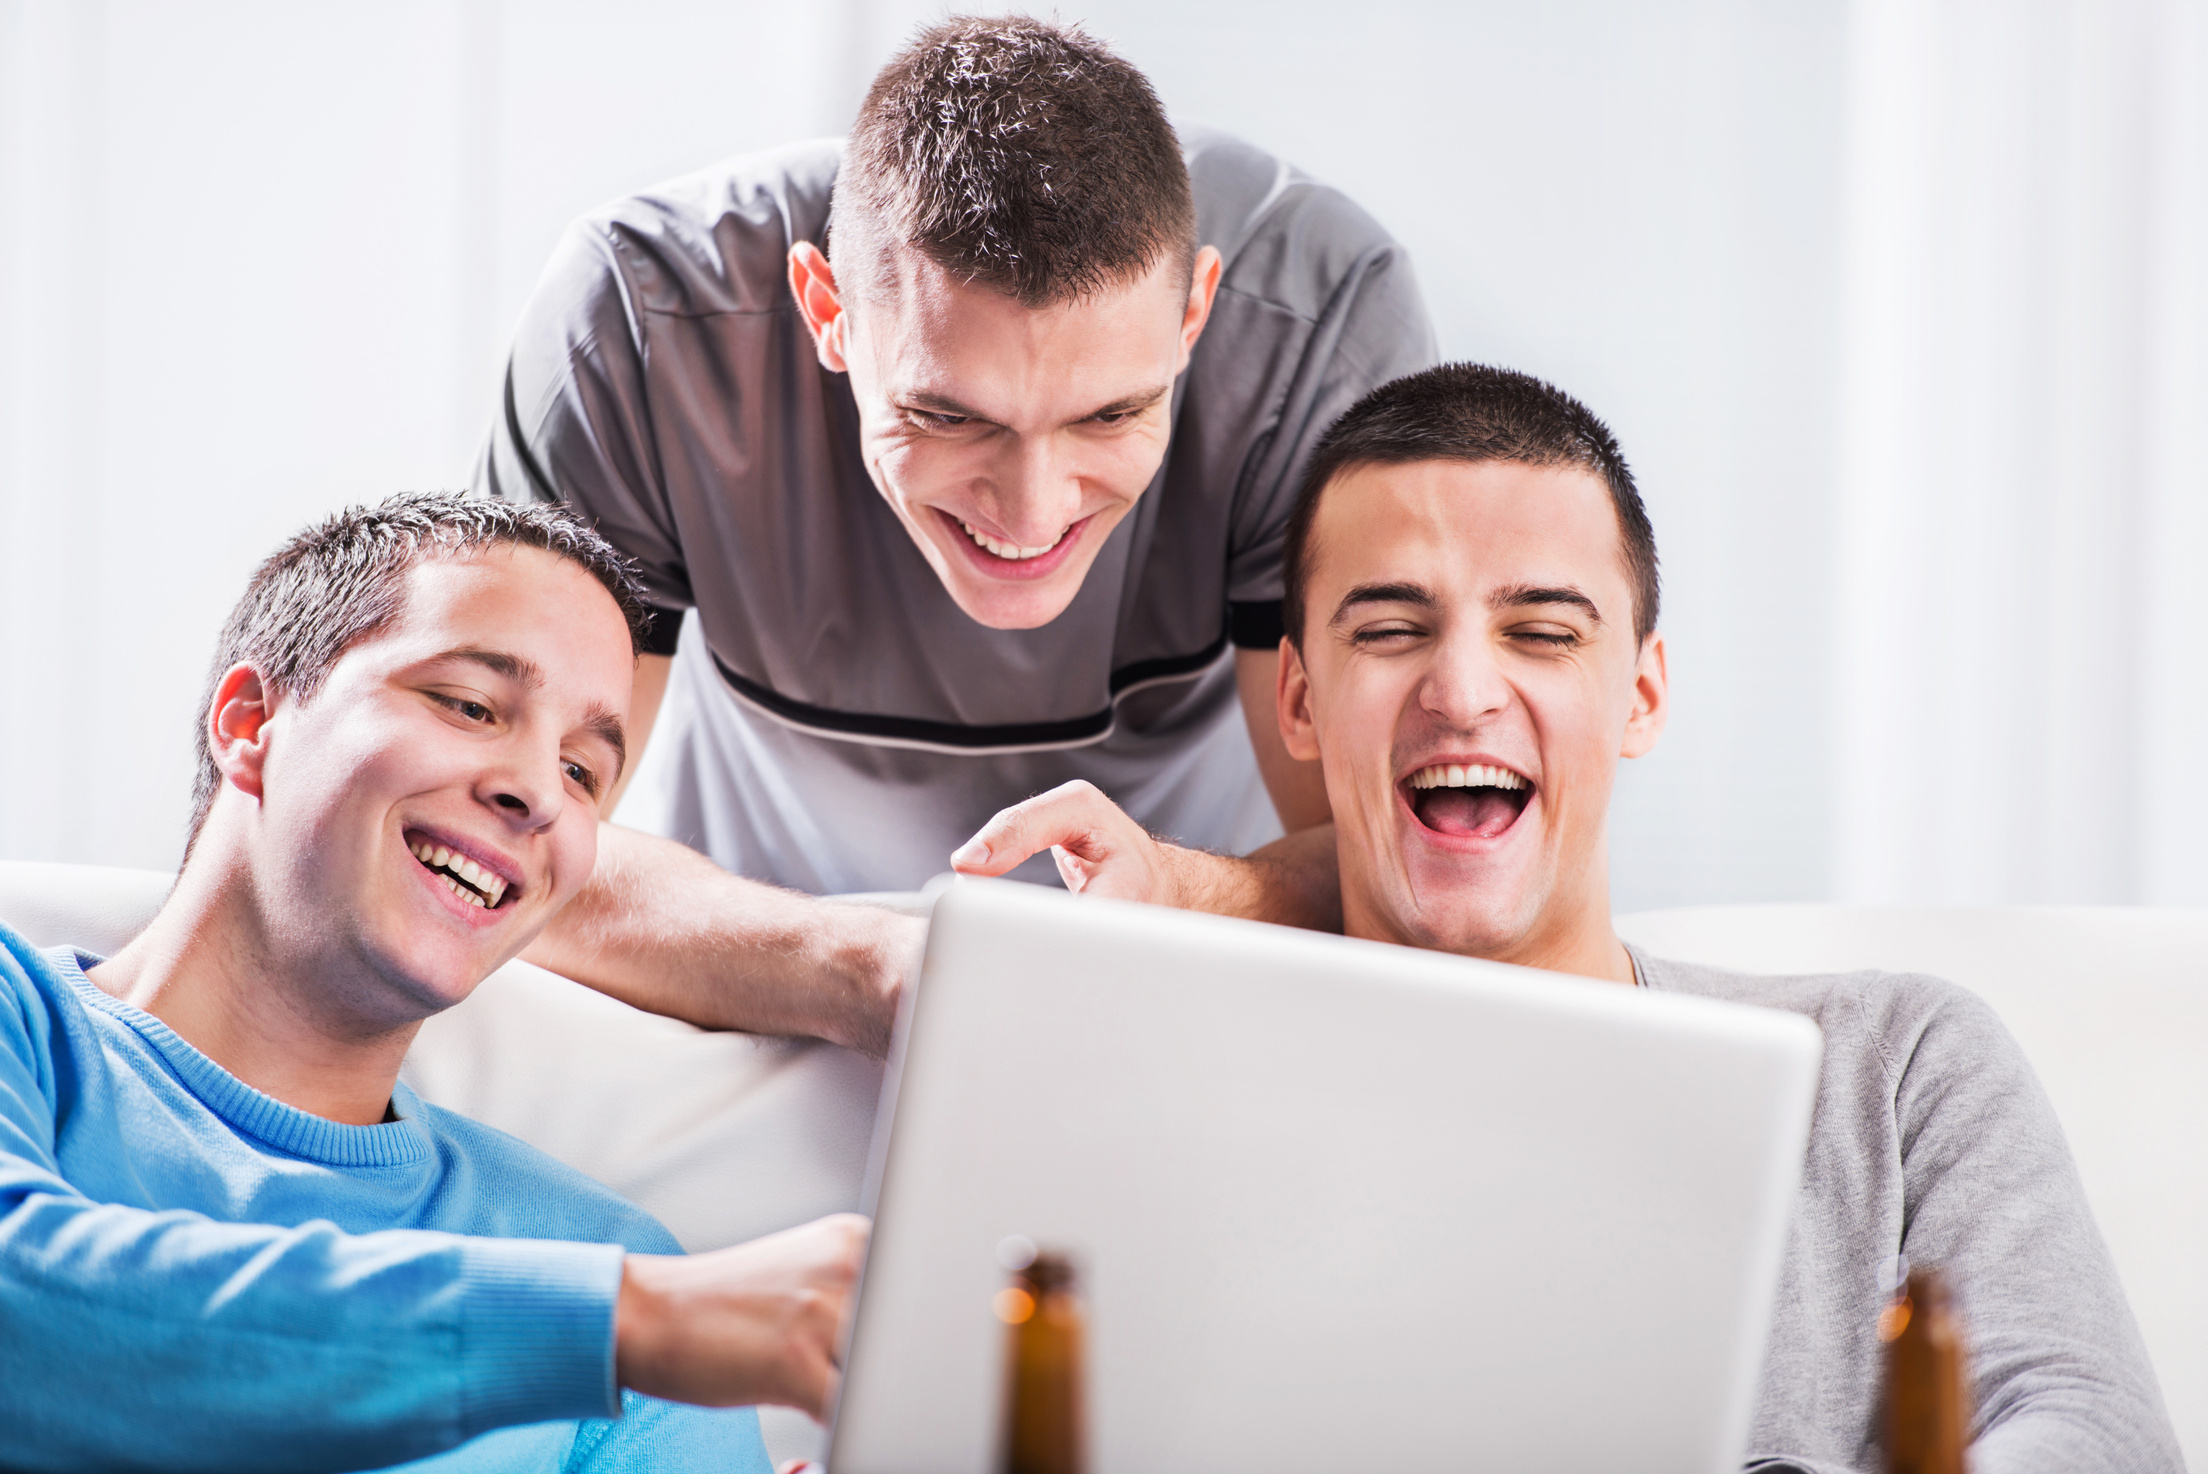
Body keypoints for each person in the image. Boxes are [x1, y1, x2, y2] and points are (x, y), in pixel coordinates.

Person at [960, 364, 2183, 1471]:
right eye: (1390, 630)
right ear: (1297, 698)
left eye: (1542, 631)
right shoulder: (1153, 1104)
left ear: (1641, 693)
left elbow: (2098, 1433)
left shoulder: (1896, 1066)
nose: (1464, 691)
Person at [478, 15, 1434, 1055]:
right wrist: (882, 969)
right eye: (948, 415)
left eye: (1110, 415)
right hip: (732, 980)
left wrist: (1178, 892)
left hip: (1188, 975)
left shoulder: (1321, 321)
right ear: (827, 308)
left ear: (1194, 316)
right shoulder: (633, 321)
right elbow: (502, 835)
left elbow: (1406, 868)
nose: (1030, 513)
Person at [0, 495, 866, 1472]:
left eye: (584, 772)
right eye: (470, 705)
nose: (538, 793)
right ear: (250, 721)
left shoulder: (612, 1253)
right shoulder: (634, 1309)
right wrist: (616, 1325)